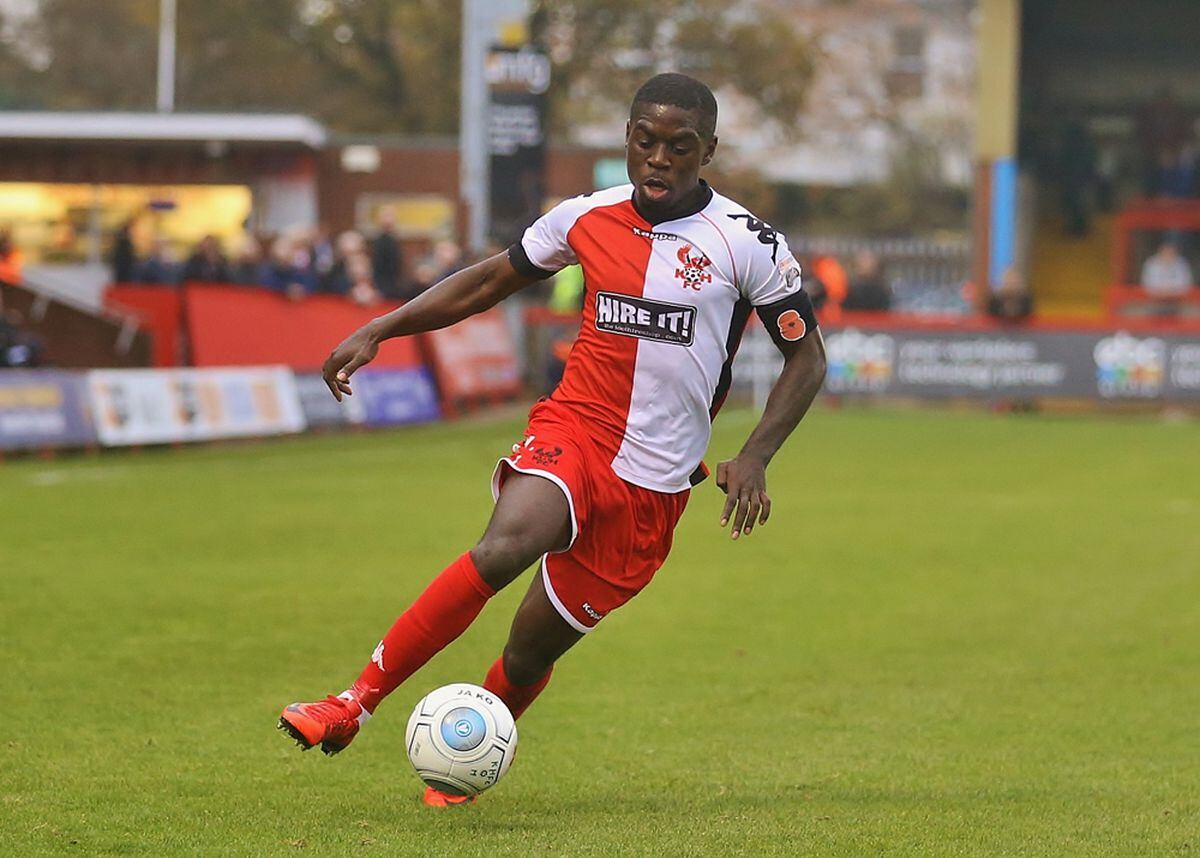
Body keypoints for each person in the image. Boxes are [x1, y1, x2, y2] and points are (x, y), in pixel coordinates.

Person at [278, 73, 828, 807]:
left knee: (530, 648)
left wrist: (755, 454)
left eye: (679, 146)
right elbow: (486, 283)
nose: (658, 159)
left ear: (708, 152)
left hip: (654, 483)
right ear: (627, 141)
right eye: (645, 142)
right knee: (509, 542)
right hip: (577, 426)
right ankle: (352, 704)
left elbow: (807, 356)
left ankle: (465, 760)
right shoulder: (585, 217)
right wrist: (383, 326)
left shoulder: (747, 243)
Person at [1140, 238, 1193, 314]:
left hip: (1177, 302)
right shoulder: (1151, 264)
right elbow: (1147, 283)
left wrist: (1170, 292)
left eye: (1171, 252)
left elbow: (1185, 284)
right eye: (1165, 252)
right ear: (1160, 251)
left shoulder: (1182, 264)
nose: (1168, 254)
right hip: (1154, 302)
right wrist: (1162, 292)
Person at [370, 207, 404, 300]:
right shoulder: (380, 241)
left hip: (393, 283)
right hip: (383, 284)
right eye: (386, 216)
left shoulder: (393, 239)